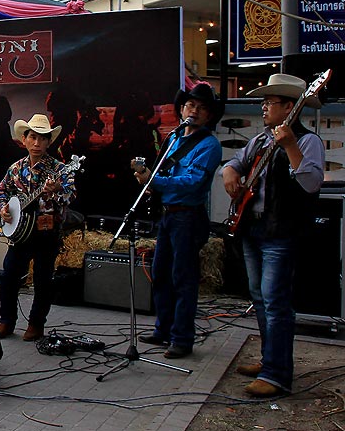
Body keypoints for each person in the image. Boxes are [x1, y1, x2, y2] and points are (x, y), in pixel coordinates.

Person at [221, 73, 325, 397]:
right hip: (253, 228)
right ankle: (270, 359)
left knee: (276, 301)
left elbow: (311, 184)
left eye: (270, 102)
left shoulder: (308, 141)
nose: (263, 107)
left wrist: (291, 146)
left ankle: (277, 374)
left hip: (281, 232)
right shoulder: (260, 141)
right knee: (260, 298)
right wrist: (229, 174)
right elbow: (234, 164)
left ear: (290, 107)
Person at [133, 83, 223, 359]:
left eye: (200, 108)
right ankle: (164, 330)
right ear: (182, 108)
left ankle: (182, 339)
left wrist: (154, 180)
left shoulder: (210, 145)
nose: (193, 111)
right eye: (189, 105)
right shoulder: (173, 138)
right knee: (160, 273)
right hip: (169, 214)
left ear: (209, 115)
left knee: (183, 278)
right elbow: (165, 173)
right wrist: (150, 183)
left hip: (187, 216)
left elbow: (192, 182)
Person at [0, 114, 77, 340]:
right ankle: (6, 321)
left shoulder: (59, 169)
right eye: (33, 138)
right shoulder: (16, 168)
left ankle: (36, 324)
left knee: (42, 280)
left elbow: (71, 195)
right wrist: (3, 208)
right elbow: (1, 192)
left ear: (49, 142)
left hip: (45, 233)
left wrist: (56, 190)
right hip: (21, 234)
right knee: (8, 277)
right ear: (24, 139)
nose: (37, 143)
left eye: (42, 139)